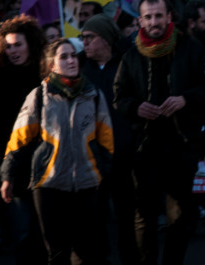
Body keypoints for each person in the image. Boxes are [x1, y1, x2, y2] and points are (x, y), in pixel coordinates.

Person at [113, 0, 205, 265]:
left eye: (159, 15)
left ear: (169, 17)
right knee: (144, 213)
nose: (154, 22)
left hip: (182, 145)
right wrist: (135, 107)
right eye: (148, 17)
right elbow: (118, 97)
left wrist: (185, 99)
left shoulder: (191, 47)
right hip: (145, 146)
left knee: (181, 214)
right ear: (140, 21)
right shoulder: (131, 54)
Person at [1, 38, 114, 265]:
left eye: (73, 55)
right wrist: (7, 175)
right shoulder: (39, 96)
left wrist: (103, 173)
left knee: (86, 252)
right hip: (49, 186)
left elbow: (107, 142)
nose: (71, 60)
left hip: (87, 185)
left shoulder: (93, 95)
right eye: (64, 57)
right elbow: (18, 140)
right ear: (52, 65)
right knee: (57, 253)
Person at [0, 15, 46, 258]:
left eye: (18, 44)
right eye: (8, 46)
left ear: (30, 43)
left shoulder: (45, 74)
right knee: (23, 229)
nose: (13, 50)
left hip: (45, 156)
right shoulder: (0, 75)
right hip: (14, 159)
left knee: (45, 228)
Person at [80, 14, 136, 265]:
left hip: (125, 155)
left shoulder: (128, 62)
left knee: (128, 218)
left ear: (105, 39)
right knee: (94, 218)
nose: (85, 44)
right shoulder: (79, 67)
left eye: (90, 38)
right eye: (83, 39)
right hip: (92, 158)